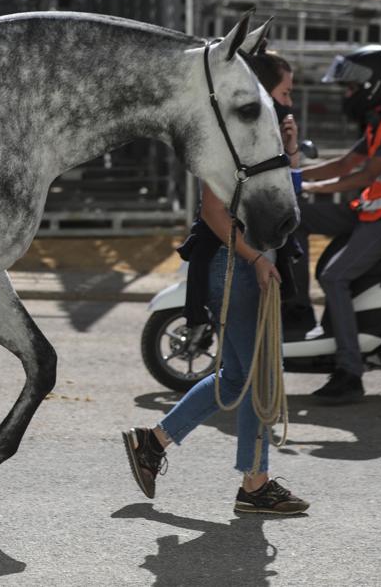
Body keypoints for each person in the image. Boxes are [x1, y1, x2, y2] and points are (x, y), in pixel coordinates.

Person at [124, 50, 309, 515]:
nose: (290, 102)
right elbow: (213, 210)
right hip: (233, 264)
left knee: (237, 376)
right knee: (257, 377)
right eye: (284, 93)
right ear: (264, 93)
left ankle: (155, 441)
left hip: (247, 262)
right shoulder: (228, 139)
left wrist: (291, 153)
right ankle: (254, 483)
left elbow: (282, 205)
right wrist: (254, 259)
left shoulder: (260, 141)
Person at [295, 45, 381, 405]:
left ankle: (350, 372)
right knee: (296, 215)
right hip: (372, 212)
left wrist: (311, 187)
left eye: (350, 87)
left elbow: (363, 176)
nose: (346, 94)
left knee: (334, 277)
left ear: (370, 85)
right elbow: (344, 164)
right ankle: (293, 308)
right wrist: (289, 175)